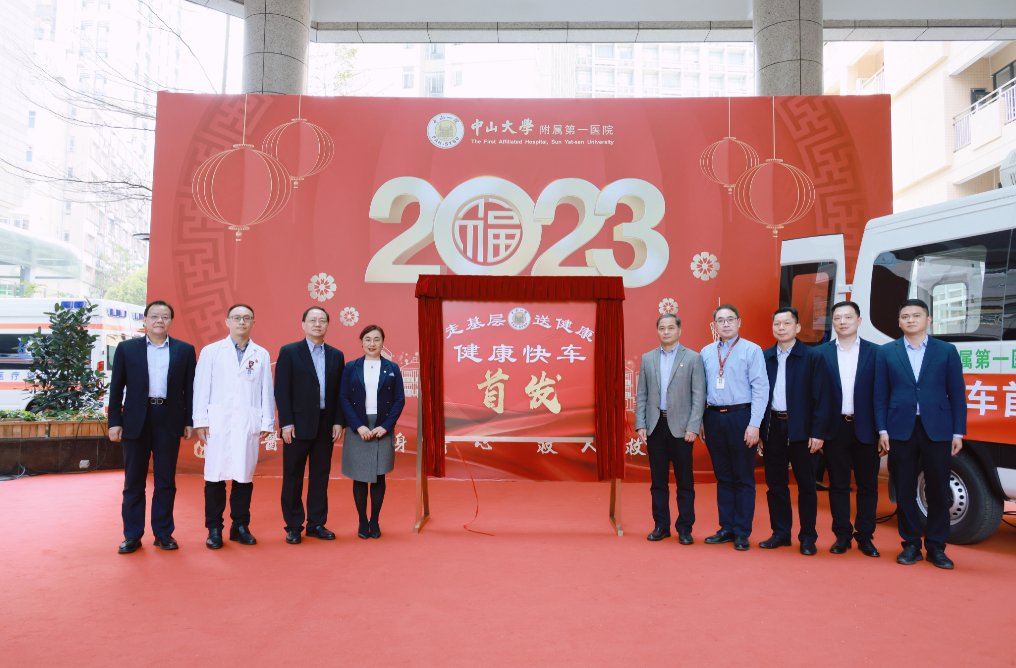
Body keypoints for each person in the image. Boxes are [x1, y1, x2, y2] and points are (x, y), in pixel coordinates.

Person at [874, 298, 966, 569]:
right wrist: (882, 429)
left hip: (937, 428)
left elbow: (957, 394)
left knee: (938, 489)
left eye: (916, 315)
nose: (911, 320)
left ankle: (937, 547)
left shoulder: (946, 350)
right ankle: (911, 544)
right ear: (899, 322)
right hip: (899, 428)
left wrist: (958, 432)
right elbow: (880, 395)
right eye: (905, 316)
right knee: (904, 490)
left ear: (928, 320)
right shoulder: (886, 352)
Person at [108, 300, 196, 554]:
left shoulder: (185, 350)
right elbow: (116, 388)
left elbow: (190, 389)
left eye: (165, 316)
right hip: (136, 419)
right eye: (154, 316)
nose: (160, 320)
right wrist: (114, 422)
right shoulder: (126, 348)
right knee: (133, 481)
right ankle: (132, 535)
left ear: (171, 321)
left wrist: (189, 420)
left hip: (169, 418)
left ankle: (163, 533)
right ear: (145, 320)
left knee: (165, 480)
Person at [193, 304, 276, 550]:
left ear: (253, 323)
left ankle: (240, 526)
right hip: (218, 423)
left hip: (247, 423)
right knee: (215, 477)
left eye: (247, 318)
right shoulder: (211, 351)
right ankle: (214, 529)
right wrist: (200, 420)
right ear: (227, 321)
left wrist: (267, 421)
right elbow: (201, 387)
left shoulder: (261, 354)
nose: (242, 322)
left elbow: (266, 390)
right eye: (237, 317)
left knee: (244, 477)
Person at [758, 307, 829, 555]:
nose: (781, 328)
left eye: (787, 323)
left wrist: (818, 433)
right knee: (775, 484)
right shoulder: (765, 357)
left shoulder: (813, 357)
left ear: (797, 327)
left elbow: (822, 398)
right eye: (777, 324)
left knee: (807, 485)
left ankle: (808, 537)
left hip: (803, 430)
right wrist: (760, 430)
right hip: (773, 428)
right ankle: (780, 533)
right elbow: (758, 396)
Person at [699, 304, 769, 551]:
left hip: (741, 416)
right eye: (721, 320)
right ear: (714, 325)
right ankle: (726, 528)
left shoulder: (752, 350)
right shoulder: (706, 352)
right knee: (723, 476)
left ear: (739, 322)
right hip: (713, 417)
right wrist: (701, 420)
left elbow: (761, 388)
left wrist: (754, 424)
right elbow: (700, 389)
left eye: (730, 319)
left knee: (743, 476)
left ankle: (741, 531)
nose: (726, 324)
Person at [274, 307, 346, 544]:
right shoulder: (289, 352)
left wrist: (338, 421)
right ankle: (294, 525)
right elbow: (281, 390)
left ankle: (316, 524)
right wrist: (286, 423)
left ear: (328, 325)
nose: (317, 324)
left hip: (326, 424)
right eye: (312, 320)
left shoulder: (336, 355)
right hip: (297, 425)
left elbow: (340, 393)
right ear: (303, 324)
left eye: (322, 320)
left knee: (320, 476)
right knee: (293, 476)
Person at [816, 301, 881, 557]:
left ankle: (865, 536)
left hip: (867, 428)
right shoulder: (820, 353)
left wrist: (882, 431)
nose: (843, 322)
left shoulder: (876, 352)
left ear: (859, 321)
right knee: (838, 485)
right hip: (835, 428)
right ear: (832, 322)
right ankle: (842, 535)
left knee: (868, 486)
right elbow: (815, 396)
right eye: (838, 318)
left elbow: (882, 394)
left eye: (848, 317)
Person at [635, 313, 706, 544]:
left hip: (682, 428)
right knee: (658, 481)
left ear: (679, 330)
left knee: (685, 481)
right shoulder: (648, 358)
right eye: (662, 328)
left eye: (670, 328)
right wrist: (641, 424)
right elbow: (642, 393)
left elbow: (699, 396)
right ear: (657, 331)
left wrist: (693, 426)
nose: (666, 332)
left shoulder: (693, 358)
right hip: (656, 426)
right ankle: (661, 525)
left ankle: (685, 528)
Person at [339, 325, 405, 539]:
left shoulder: (392, 367)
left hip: (382, 425)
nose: (372, 343)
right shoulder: (351, 367)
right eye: (368, 339)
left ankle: (374, 520)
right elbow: (344, 397)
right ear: (361, 342)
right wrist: (358, 426)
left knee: (378, 476)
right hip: (358, 424)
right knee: (359, 477)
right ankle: (362, 520)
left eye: (377, 339)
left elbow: (399, 400)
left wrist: (386, 426)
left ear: (383, 342)